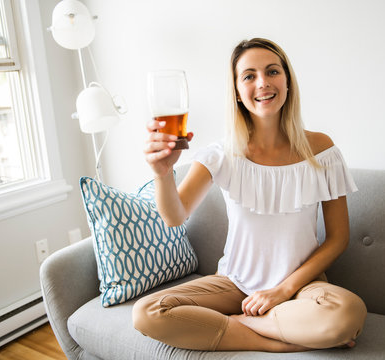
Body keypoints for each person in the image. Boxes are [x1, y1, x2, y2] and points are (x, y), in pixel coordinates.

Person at [133, 38, 367, 353]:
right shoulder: (221, 154)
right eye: (249, 76)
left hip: (300, 288)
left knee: (347, 313)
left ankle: (243, 323)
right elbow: (174, 216)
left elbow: (338, 238)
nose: (263, 83)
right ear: (237, 92)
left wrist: (282, 291)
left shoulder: (322, 150)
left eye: (272, 72)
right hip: (234, 284)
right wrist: (162, 172)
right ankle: (272, 339)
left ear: (287, 82)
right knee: (147, 313)